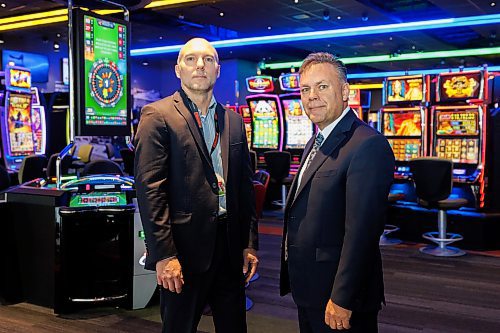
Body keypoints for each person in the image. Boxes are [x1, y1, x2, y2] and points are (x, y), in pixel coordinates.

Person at [134, 38, 259, 333]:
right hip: (183, 251)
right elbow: (150, 190)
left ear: (218, 70)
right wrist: (163, 255)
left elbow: (244, 189)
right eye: (190, 59)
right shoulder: (157, 115)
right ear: (178, 70)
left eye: (208, 60)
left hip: (229, 247)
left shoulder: (234, 121)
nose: (199, 65)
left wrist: (249, 243)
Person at [280, 52, 395, 332]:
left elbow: (362, 233)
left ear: (345, 92)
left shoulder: (367, 144)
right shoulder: (316, 139)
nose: (311, 96)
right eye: (305, 89)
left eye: (322, 86)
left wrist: (342, 297)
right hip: (310, 286)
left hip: (339, 295)